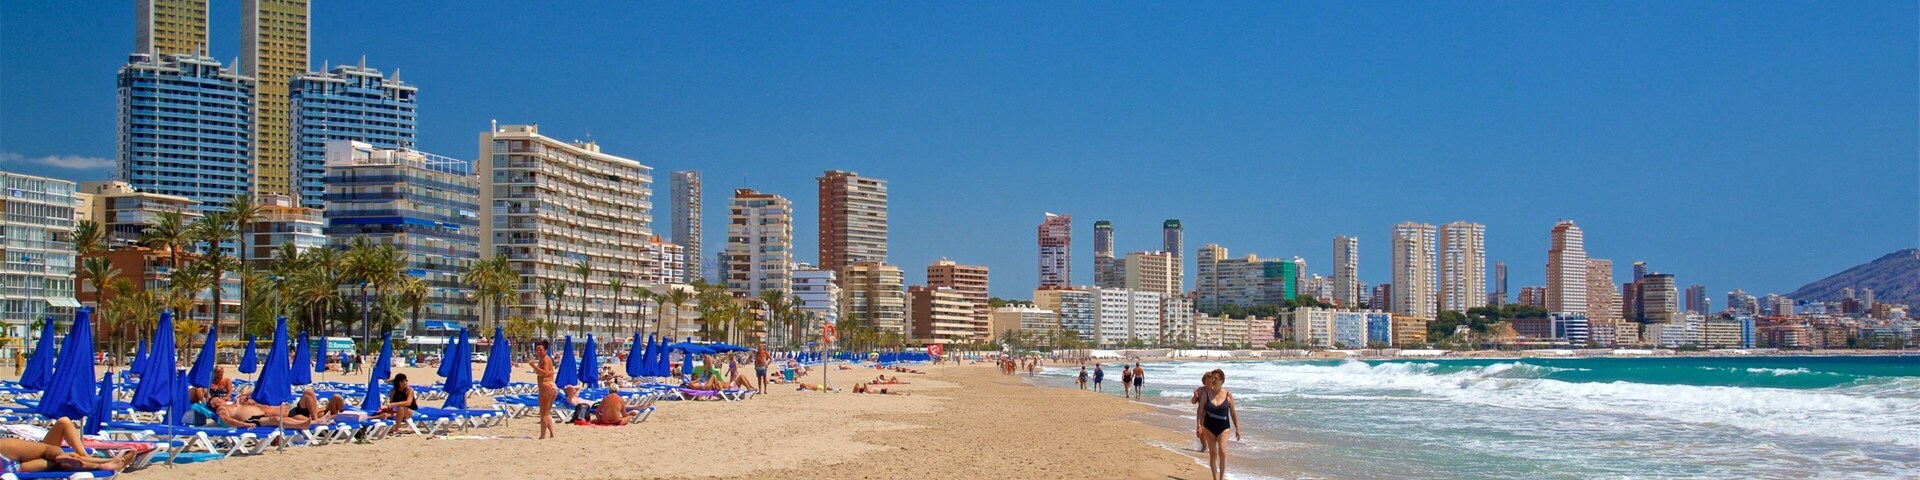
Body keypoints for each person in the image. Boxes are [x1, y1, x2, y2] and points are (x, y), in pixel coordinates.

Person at [0, 417, 135, 474]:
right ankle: (65, 456)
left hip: (8, 469)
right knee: (50, 452)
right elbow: (46, 448)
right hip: (6, 450)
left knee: (53, 461)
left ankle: (102, 463)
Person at [1196, 369, 1240, 480]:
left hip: (1223, 427)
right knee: (1213, 455)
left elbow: (1233, 413)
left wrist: (1237, 428)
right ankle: (1215, 478)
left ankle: (1221, 478)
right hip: (1209, 427)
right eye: (1212, 378)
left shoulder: (1228, 395)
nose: (1213, 380)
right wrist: (1199, 425)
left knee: (1223, 451)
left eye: (1216, 378)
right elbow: (1200, 411)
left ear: (1222, 381)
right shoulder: (1206, 394)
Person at [531, 341, 558, 440]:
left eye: (541, 350)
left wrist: (533, 366)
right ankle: (552, 433)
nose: (538, 352)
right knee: (546, 413)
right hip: (551, 387)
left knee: (543, 414)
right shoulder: (545, 359)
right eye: (537, 350)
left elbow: (546, 373)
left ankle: (542, 435)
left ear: (545, 350)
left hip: (546, 387)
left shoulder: (545, 359)